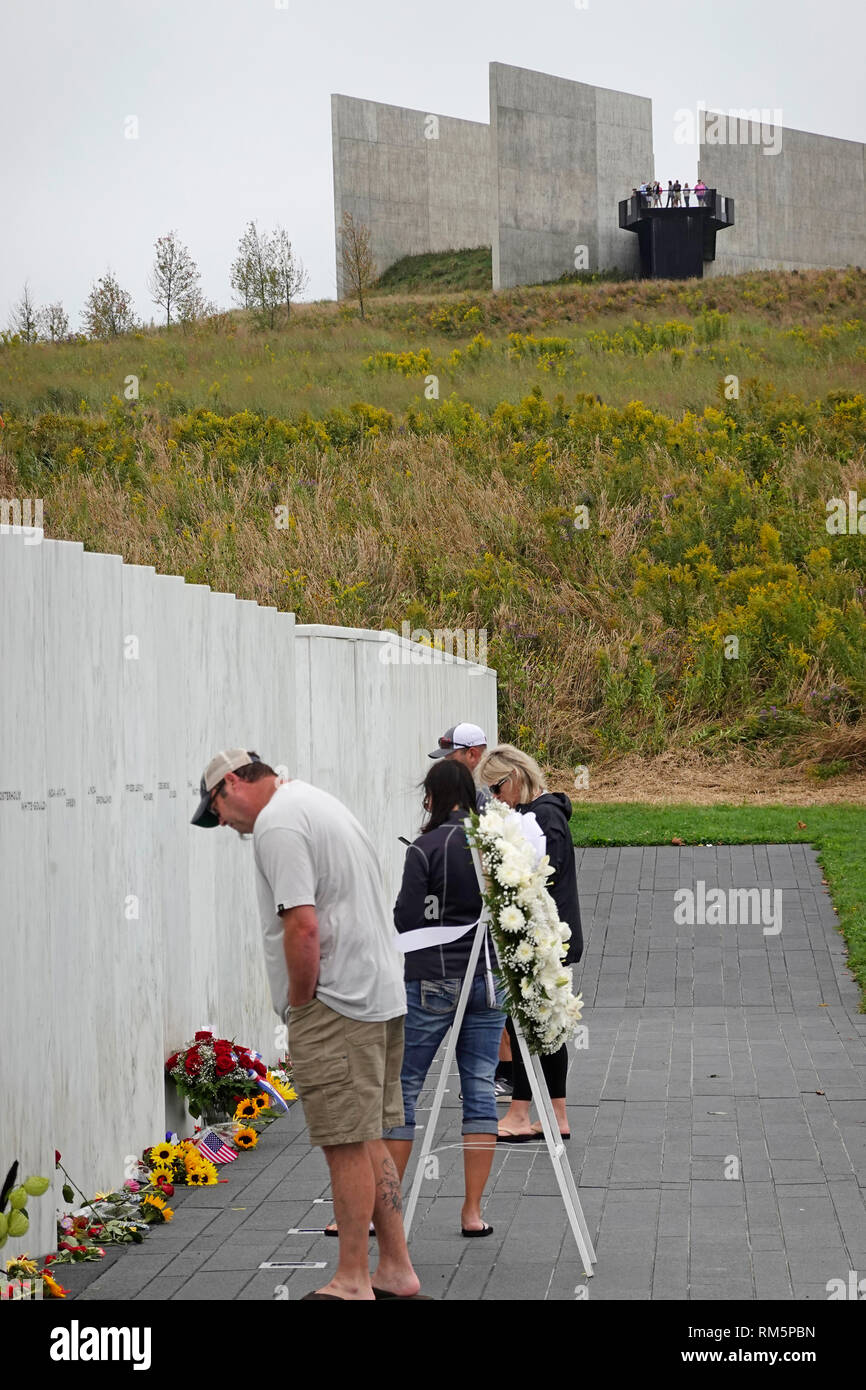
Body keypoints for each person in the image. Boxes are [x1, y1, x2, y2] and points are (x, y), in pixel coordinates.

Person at [192, 749, 422, 1301]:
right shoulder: (314, 801)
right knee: (367, 1136)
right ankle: (395, 1269)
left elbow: (302, 927)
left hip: (337, 1003)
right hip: (378, 993)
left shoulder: (277, 823)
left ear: (231, 783)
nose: (221, 823)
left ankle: (352, 1279)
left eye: (216, 808)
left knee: (343, 1141)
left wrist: (300, 1006)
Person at [385, 759, 507, 1236]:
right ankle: (472, 1212)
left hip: (434, 978)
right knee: (478, 1088)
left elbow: (405, 918)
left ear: (431, 796)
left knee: (403, 1089)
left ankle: (385, 1213)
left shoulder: (425, 847)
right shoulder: (494, 843)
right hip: (490, 980)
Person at [477, 745, 583, 1143]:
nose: (496, 797)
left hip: (543, 936)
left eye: (497, 786)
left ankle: (522, 1112)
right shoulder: (540, 814)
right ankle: (554, 1115)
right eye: (489, 791)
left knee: (525, 1020)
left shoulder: (542, 818)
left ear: (518, 776)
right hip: (547, 934)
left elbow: (536, 884)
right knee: (544, 1021)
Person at [428, 722, 490, 812]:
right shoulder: (492, 788)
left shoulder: (483, 795)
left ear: (471, 754)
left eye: (451, 760)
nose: (447, 767)